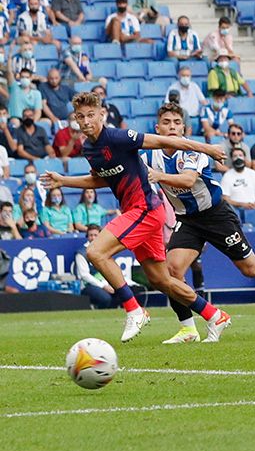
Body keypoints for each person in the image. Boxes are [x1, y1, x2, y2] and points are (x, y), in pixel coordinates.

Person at [39, 92, 231, 344]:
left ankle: (133, 309)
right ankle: (214, 314)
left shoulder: (119, 137)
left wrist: (209, 149)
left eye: (91, 115)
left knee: (96, 252)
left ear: (102, 115)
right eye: (80, 117)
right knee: (162, 280)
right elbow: (100, 179)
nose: (86, 121)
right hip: (135, 210)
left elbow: (166, 141)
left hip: (145, 209)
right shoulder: (89, 148)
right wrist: (64, 181)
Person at [145, 103, 255, 343]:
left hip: (216, 216)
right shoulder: (148, 154)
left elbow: (189, 180)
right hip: (187, 220)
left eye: (176, 122)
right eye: (166, 122)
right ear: (157, 127)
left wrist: (158, 176)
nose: (171, 127)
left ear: (184, 128)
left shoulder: (194, 151)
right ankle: (188, 329)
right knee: (171, 271)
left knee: (251, 269)